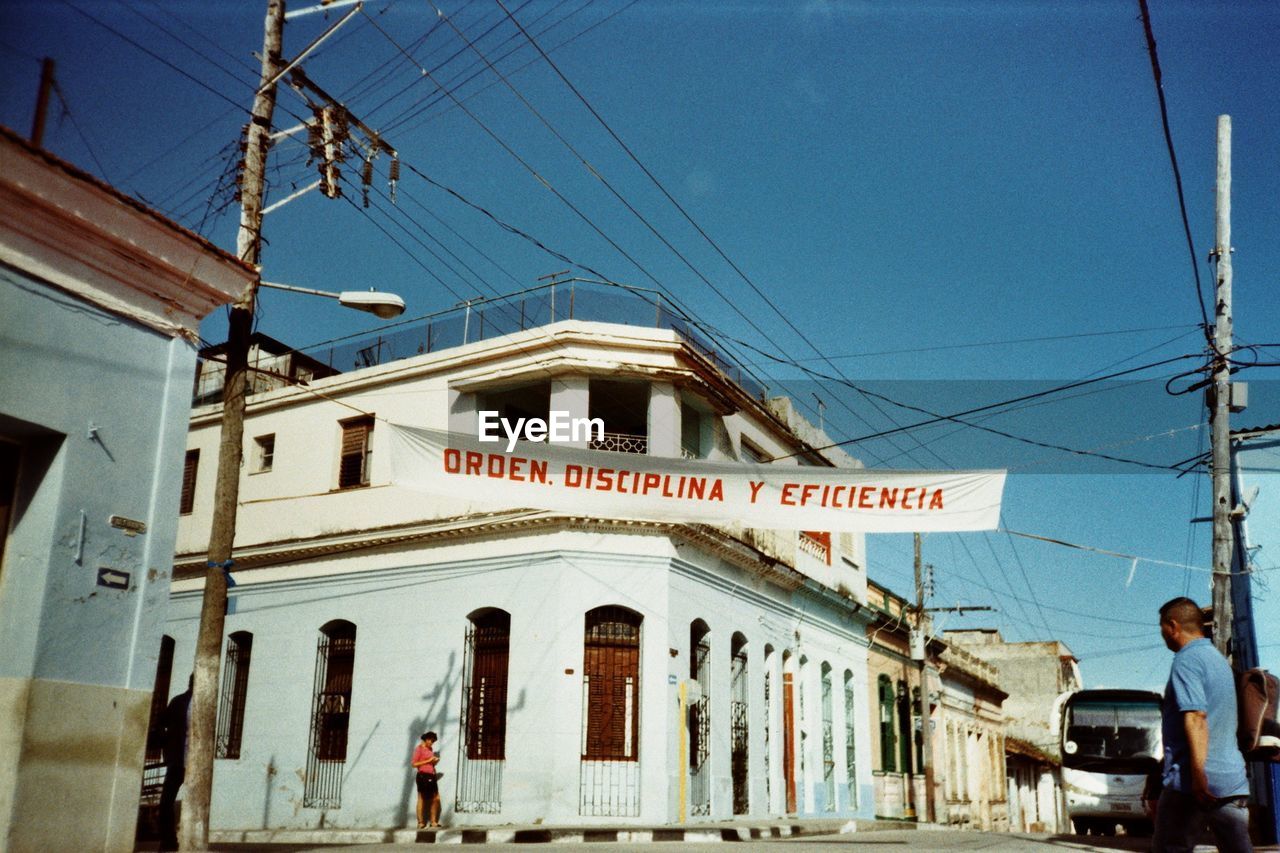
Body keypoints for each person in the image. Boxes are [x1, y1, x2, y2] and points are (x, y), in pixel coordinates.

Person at [1152, 597, 1252, 853]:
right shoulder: (1218, 662)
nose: (1162, 634)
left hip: (1192, 783)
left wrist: (1198, 775)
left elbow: (1196, 716)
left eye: (1162, 627)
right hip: (1231, 781)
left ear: (1172, 626)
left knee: (1171, 848)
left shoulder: (1186, 660)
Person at [157, 676, 192, 852]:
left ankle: (178, 839)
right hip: (179, 760)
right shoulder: (179, 702)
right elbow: (160, 723)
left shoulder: (204, 703)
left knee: (170, 801)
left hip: (189, 761)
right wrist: (167, 743)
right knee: (166, 801)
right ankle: (168, 840)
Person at [411, 731, 442, 829]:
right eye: (431, 741)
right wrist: (429, 760)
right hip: (422, 775)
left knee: (436, 798)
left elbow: (430, 764)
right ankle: (420, 822)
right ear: (427, 739)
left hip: (431, 775)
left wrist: (435, 762)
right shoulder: (419, 749)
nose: (432, 743)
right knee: (422, 798)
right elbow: (414, 764)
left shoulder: (430, 749)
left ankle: (433, 821)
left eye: (433, 741)